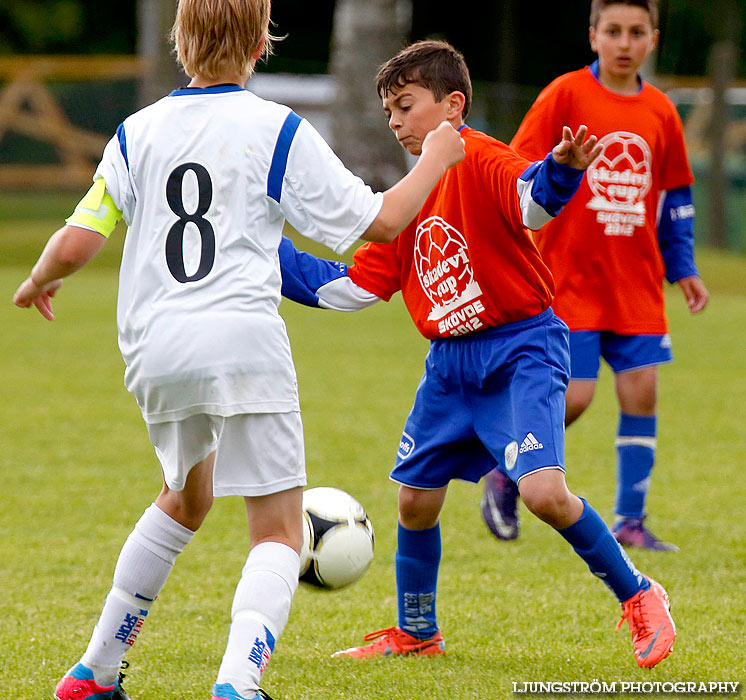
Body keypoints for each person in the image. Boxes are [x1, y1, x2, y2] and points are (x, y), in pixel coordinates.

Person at [12, 2, 465, 699]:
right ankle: (237, 683)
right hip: (241, 340)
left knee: (185, 498)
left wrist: (42, 278)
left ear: (179, 40)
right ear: (261, 44)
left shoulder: (137, 133)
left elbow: (83, 233)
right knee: (281, 530)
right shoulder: (276, 128)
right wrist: (436, 154)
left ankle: (93, 672)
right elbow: (383, 221)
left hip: (155, 347)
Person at [275, 39, 676, 669]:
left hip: (522, 350)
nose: (397, 122)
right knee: (415, 499)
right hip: (450, 365)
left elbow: (532, 203)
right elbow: (354, 288)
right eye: (389, 113)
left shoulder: (485, 158)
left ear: (452, 105)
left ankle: (640, 593)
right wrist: (261, 256)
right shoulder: (405, 199)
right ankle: (417, 631)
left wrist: (564, 170)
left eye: (406, 106)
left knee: (544, 495)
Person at [480, 0, 709, 551]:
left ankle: (630, 520)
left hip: (635, 284)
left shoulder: (661, 112)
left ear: (652, 40)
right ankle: (506, 472)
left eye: (636, 32)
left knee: (642, 392)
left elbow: (675, 198)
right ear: (593, 37)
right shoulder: (565, 95)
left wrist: (684, 268)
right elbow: (517, 164)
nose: (624, 42)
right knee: (575, 397)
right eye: (613, 31)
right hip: (570, 280)